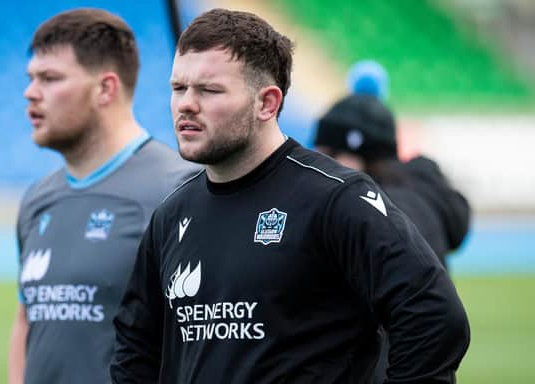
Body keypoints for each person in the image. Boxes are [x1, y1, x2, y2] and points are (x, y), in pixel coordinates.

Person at [111, 8, 469, 384]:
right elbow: (136, 349)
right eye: (178, 88)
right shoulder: (172, 214)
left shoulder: (334, 198)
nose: (186, 104)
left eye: (209, 90)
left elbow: (433, 316)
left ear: (267, 103)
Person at [7, 8, 200, 384]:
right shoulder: (37, 199)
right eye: (31, 78)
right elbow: (26, 318)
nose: (30, 93)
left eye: (49, 78)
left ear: (105, 88)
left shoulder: (181, 191)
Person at [315, 93, 471, 269]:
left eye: (328, 155)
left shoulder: (373, 210)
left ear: (358, 155)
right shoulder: (420, 193)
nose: (320, 166)